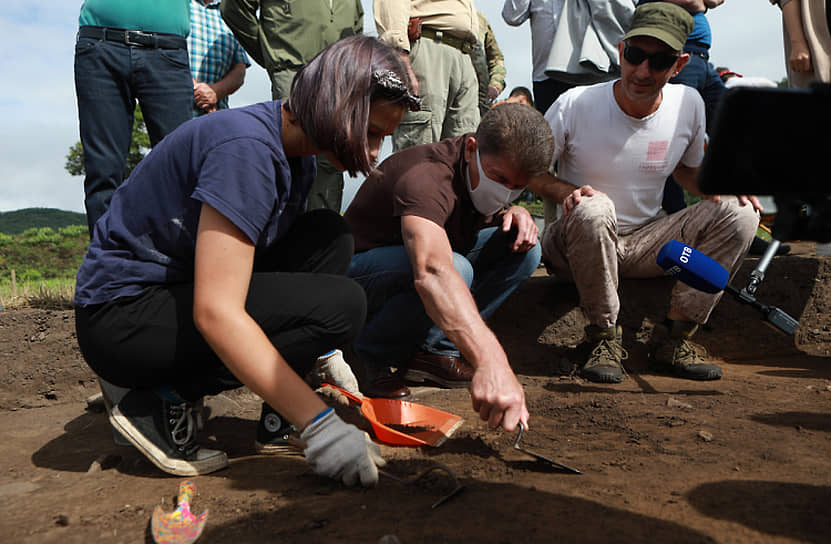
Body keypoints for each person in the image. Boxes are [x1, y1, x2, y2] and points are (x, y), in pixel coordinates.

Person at [73, 36, 420, 485]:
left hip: (168, 293)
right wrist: (322, 425)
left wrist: (314, 350)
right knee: (342, 305)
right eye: (370, 131)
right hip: (121, 318)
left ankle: (279, 417)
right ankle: (157, 401)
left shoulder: (298, 156)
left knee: (328, 236)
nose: (374, 152)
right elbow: (216, 312)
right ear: (337, 104)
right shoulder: (247, 151)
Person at [529, 2, 761, 384]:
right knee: (595, 207)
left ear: (680, 64)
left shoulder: (688, 104)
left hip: (644, 243)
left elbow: (687, 172)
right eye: (635, 56)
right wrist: (569, 191)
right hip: (573, 244)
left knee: (741, 212)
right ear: (621, 50)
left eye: (658, 62)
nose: (641, 71)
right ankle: (601, 337)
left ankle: (676, 338)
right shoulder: (575, 103)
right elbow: (532, 172)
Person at [343, 103, 554, 432]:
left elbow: (484, 206)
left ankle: (434, 352)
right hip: (358, 273)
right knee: (457, 268)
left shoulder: (480, 173)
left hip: (412, 264)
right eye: (500, 179)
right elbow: (432, 270)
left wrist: (513, 211)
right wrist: (491, 363)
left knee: (525, 250)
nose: (506, 191)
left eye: (517, 187)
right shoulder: (426, 177)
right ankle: (367, 355)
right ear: (471, 149)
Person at [221, 0, 364, 213]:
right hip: (292, 74)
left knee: (329, 163)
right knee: (292, 163)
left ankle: (320, 239)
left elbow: (357, 26)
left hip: (338, 82)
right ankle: (278, 239)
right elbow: (233, 8)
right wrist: (269, 54)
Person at [74, 0, 194, 236]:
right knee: (103, 170)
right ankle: (106, 264)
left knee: (180, 167)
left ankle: (179, 263)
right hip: (100, 46)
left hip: (167, 51)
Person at [375, 0, 482, 151]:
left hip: (463, 53)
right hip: (428, 46)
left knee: (464, 154)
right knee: (418, 156)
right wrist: (399, 52)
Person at [187, 0, 250, 116]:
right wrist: (198, 90)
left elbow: (239, 70)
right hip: (176, 110)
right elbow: (165, 52)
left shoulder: (232, 15)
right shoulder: (180, 6)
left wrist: (215, 91)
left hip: (216, 116)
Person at [471, 9, 507, 116]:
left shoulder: (479, 19)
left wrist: (495, 85)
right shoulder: (433, 12)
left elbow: (496, 58)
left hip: (478, 101)